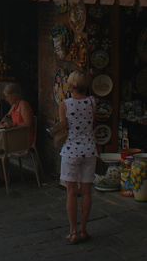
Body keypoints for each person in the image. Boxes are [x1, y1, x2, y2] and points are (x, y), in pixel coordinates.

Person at [57, 72, 96, 245]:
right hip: (89, 150)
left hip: (71, 151)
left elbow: (63, 128)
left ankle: (73, 232)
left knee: (71, 193)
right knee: (87, 192)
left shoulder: (65, 105)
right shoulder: (93, 102)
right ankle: (83, 229)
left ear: (72, 86)